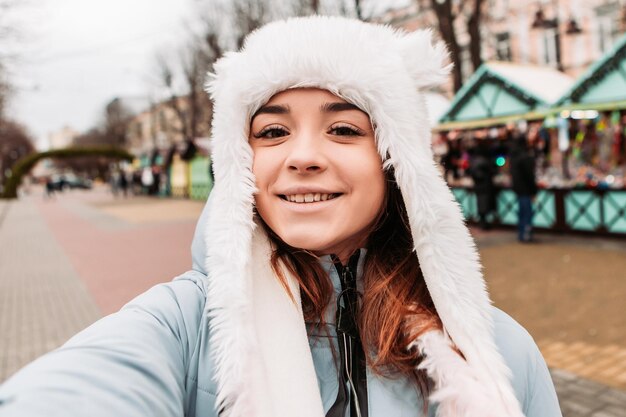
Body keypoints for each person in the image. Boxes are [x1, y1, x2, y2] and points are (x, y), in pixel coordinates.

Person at [0, 17, 561, 417]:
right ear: (241, 160)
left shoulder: (498, 349)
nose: (302, 156)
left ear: (397, 161)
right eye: (272, 131)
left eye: (344, 129)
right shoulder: (189, 325)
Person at [509, 135, 539, 243]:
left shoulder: (513, 157)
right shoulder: (525, 157)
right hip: (525, 190)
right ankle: (526, 235)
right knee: (527, 213)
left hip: (518, 190)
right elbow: (529, 176)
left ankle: (522, 234)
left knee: (522, 213)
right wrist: (534, 191)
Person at [468, 143, 497, 230]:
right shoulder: (485, 161)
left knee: (480, 204)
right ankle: (484, 224)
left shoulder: (474, 161)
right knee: (484, 204)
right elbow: (492, 171)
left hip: (478, 186)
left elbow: (472, 173)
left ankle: (482, 222)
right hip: (485, 186)